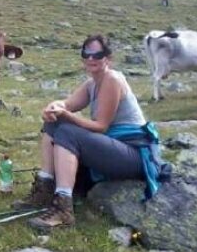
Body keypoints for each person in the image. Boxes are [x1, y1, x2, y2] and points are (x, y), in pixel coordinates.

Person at [15, 34, 169, 231]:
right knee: (54, 122)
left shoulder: (112, 79)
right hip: (115, 148)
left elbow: (101, 126)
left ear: (108, 58)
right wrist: (54, 107)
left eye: (97, 54)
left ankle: (63, 209)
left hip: (134, 153)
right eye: (86, 53)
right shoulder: (92, 83)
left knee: (68, 132)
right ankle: (45, 188)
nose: (91, 58)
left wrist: (66, 115)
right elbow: (67, 104)